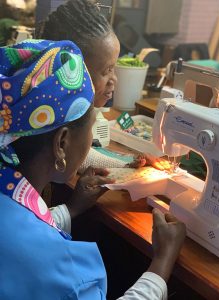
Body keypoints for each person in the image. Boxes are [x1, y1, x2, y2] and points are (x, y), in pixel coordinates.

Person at [0, 39, 186, 299]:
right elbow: (29, 246)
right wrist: (161, 265)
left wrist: (71, 209)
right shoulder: (53, 269)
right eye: (91, 126)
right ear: (62, 142)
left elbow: (21, 228)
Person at [37, 0, 171, 232]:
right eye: (107, 70)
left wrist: (129, 164)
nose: (115, 79)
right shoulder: (46, 135)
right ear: (74, 70)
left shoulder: (40, 115)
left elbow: (80, 156)